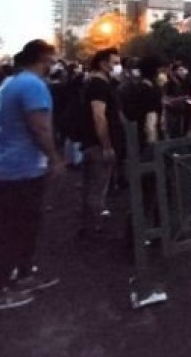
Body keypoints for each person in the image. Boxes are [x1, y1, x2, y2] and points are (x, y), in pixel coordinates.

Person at [0, 40, 63, 311]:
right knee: (13, 229)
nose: (55, 63)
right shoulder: (32, 85)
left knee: (24, 226)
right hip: (18, 169)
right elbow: (40, 128)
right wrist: (54, 159)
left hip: (11, 167)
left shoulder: (14, 83)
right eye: (52, 58)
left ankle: (24, 275)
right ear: (41, 58)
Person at [79, 48, 123, 238]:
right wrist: (106, 145)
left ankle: (88, 225)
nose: (118, 67)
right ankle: (93, 227)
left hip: (93, 143)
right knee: (96, 187)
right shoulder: (98, 85)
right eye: (115, 63)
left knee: (92, 186)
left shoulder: (98, 83)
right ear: (103, 64)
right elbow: (99, 116)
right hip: (98, 145)